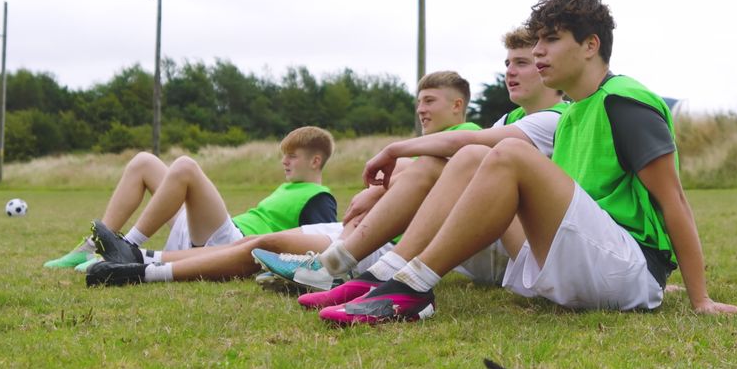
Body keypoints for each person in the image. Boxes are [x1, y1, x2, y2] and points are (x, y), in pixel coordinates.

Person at [319, 0, 737, 325]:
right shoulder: (571, 110)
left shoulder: (626, 102)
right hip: (577, 257)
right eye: (536, 42)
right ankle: (389, 275)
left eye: (550, 40)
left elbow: (675, 201)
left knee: (508, 151)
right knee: (475, 155)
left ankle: (411, 289)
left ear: (590, 45)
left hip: (627, 267)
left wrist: (700, 300)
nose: (537, 53)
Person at [254, 28, 567, 308]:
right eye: (507, 64)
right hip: (489, 243)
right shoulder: (509, 120)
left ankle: (355, 267)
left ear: (546, 68)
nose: (510, 72)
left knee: (455, 159)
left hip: (524, 251)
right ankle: (347, 266)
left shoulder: (557, 118)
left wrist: (393, 151)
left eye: (522, 63)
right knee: (438, 164)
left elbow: (464, 144)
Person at [84, 71, 480, 286]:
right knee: (259, 241)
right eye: (419, 101)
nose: (420, 109)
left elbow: (434, 180)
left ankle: (142, 271)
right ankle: (139, 255)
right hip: (357, 233)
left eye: (429, 101)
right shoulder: (428, 151)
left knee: (265, 243)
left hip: (381, 245)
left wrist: (383, 184)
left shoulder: (469, 140)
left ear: (457, 105)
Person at [46, 126, 337, 272]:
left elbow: (318, 251)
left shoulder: (319, 198)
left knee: (185, 166)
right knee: (144, 162)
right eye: (283, 155)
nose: (284, 161)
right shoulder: (289, 188)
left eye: (292, 156)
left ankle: (126, 248)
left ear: (315, 161)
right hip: (208, 238)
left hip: (231, 247)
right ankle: (90, 247)